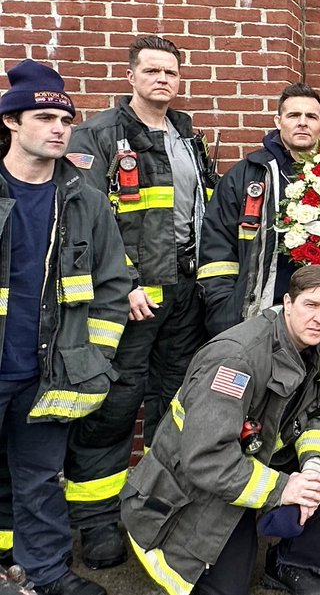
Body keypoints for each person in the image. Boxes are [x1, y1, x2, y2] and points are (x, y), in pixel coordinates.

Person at [62, 35, 218, 568]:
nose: (162, 79)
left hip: (184, 295)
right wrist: (122, 283)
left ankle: (155, 508)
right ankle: (96, 521)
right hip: (130, 299)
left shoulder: (187, 136)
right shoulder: (97, 135)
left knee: (174, 405)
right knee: (113, 407)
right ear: (131, 77)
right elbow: (85, 220)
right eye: (151, 70)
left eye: (170, 72)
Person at [120, 265, 320, 595]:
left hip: (259, 455)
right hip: (196, 482)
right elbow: (207, 458)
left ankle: (293, 564)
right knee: (228, 587)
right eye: (311, 304)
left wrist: (312, 473)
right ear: (288, 303)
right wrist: (282, 489)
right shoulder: (236, 359)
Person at [0, 60, 130, 595]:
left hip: (50, 372)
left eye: (66, 120)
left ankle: (47, 573)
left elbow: (113, 284)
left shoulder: (87, 201)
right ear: (11, 121)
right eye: (45, 117)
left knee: (39, 479)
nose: (59, 129)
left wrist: (91, 360)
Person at [197, 83, 320, 350]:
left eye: (311, 116)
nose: (302, 123)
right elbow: (216, 249)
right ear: (278, 121)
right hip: (257, 316)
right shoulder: (245, 177)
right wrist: (225, 312)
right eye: (293, 115)